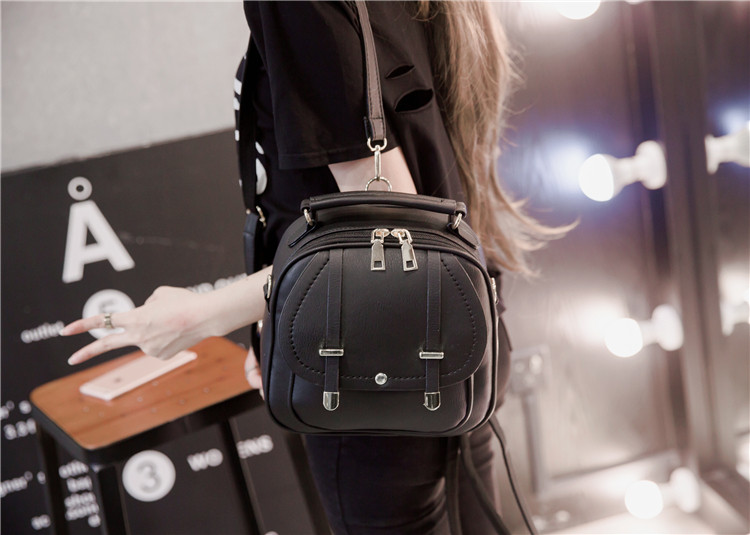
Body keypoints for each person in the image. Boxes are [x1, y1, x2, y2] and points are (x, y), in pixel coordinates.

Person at [63, 2, 553, 533]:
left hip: (372, 374)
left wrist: (199, 316)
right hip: (463, 339)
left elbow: (390, 235)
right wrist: (282, 320)